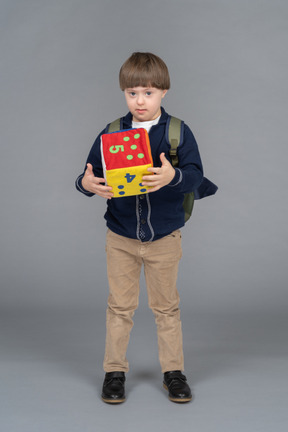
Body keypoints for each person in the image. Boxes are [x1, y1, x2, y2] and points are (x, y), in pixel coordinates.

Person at [76, 52, 214, 404]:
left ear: (164, 92)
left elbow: (196, 175)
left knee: (166, 308)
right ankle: (114, 373)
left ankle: (174, 372)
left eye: (148, 93)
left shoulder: (177, 132)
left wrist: (174, 176)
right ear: (124, 93)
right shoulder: (111, 132)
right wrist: (86, 184)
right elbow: (89, 175)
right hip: (120, 236)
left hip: (164, 236)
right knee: (119, 307)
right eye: (133, 92)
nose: (140, 100)